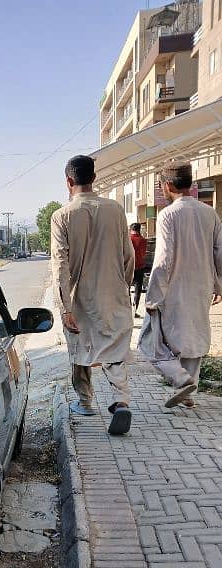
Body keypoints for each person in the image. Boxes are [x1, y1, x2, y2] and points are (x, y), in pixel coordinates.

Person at [51, 155, 135, 435]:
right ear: (94, 178)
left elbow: (59, 264)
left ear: (69, 181)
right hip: (113, 291)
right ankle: (120, 400)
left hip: (79, 296)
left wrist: (64, 306)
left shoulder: (62, 216)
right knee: (113, 349)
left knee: (81, 348)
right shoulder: (115, 209)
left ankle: (85, 402)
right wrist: (125, 285)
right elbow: (128, 254)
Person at [143, 159, 222, 408]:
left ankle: (180, 379)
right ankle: (188, 390)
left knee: (150, 341)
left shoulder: (168, 214)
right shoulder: (210, 213)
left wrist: (153, 295)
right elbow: (220, 252)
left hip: (172, 289)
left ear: (167, 185)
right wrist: (219, 285)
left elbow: (164, 258)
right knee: (193, 339)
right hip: (201, 287)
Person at [129, 223, 147, 317]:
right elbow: (144, 254)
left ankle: (128, 310)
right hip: (140, 267)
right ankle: (134, 310)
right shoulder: (143, 240)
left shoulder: (128, 239)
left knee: (126, 289)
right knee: (137, 290)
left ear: (131, 229)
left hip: (129, 267)